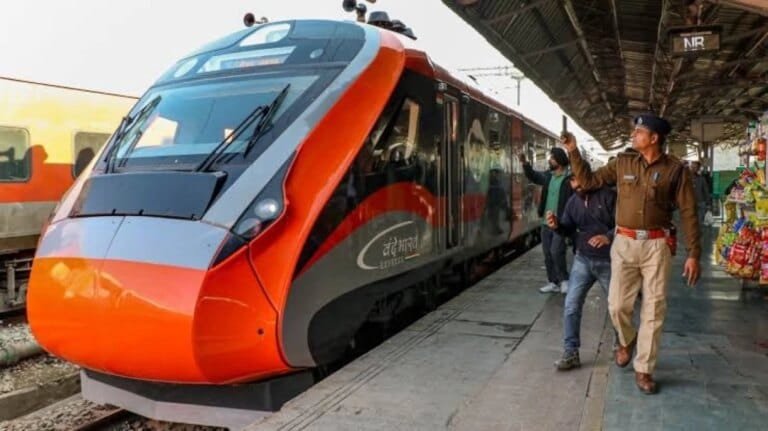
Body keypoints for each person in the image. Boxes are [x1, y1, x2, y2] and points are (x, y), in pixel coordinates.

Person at [562, 115, 701, 394]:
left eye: (639, 132)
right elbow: (588, 181)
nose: (633, 135)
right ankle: (627, 339)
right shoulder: (623, 162)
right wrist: (573, 150)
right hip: (624, 243)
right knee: (616, 305)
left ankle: (644, 369)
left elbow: (688, 212)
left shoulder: (676, 170)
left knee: (654, 309)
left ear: (654, 138)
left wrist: (693, 253)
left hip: (657, 245)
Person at [546, 174, 616, 370]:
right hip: (583, 259)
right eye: (573, 185)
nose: (577, 188)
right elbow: (568, 229)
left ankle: (622, 345)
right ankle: (571, 352)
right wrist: (557, 226)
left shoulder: (608, 196)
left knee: (617, 307)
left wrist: (608, 236)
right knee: (571, 305)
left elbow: (624, 224)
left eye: (580, 184)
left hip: (609, 261)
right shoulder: (573, 202)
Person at [519, 147, 574, 293]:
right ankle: (552, 282)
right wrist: (525, 163)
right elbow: (534, 176)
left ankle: (564, 280)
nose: (550, 160)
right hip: (546, 222)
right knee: (548, 253)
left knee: (556, 251)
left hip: (560, 223)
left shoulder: (569, 179)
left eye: (552, 158)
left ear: (560, 160)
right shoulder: (548, 177)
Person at [690, 160, 711, 227]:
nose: (693, 169)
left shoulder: (701, 179)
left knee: (699, 222)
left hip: (700, 203)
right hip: (690, 203)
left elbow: (706, 191)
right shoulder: (686, 178)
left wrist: (708, 204)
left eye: (695, 167)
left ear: (698, 168)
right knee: (691, 222)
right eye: (692, 167)